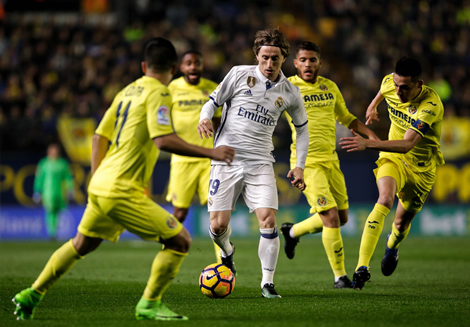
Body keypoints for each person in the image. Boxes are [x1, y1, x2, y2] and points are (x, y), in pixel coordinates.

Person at [12, 37, 234, 321]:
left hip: (101, 182)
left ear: (143, 66)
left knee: (82, 244)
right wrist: (211, 152)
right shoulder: (160, 93)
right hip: (120, 188)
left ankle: (32, 293)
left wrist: (96, 178)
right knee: (181, 241)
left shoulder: (126, 91)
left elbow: (97, 137)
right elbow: (163, 140)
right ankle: (149, 304)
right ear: (174, 68)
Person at [197, 28, 309, 298]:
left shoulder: (291, 92)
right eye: (265, 57)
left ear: (284, 59)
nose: (269, 64)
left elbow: (302, 129)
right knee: (217, 226)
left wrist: (299, 165)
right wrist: (203, 118)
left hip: (260, 163)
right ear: (256, 56)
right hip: (226, 160)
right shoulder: (238, 74)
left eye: (275, 59)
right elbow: (212, 103)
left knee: (268, 220)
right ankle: (227, 252)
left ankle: (267, 284)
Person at [279, 42, 380, 289]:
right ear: (295, 63)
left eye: (313, 60)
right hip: (306, 163)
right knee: (331, 217)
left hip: (331, 160)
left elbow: (346, 118)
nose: (308, 64)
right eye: (303, 59)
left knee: (341, 217)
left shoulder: (329, 87)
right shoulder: (287, 87)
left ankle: (291, 233)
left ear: (319, 63)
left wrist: (374, 139)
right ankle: (340, 277)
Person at [339, 56, 444, 290]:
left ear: (420, 84)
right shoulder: (390, 83)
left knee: (400, 224)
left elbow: (407, 145)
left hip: (421, 169)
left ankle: (392, 247)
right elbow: (384, 89)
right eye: (396, 85)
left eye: (404, 88)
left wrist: (368, 144)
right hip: (393, 158)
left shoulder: (430, 105)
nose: (398, 92)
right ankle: (361, 268)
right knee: (384, 198)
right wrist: (373, 104)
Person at [167, 50, 222, 262]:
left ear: (202, 65)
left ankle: (223, 261)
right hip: (181, 160)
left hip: (209, 160)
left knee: (216, 214)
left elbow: (217, 123)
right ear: (181, 68)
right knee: (179, 213)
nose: (193, 67)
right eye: (188, 63)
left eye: (196, 63)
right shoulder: (171, 89)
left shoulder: (211, 88)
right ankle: (169, 250)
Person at [33, 143, 74, 240]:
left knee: (57, 211)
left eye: (55, 150)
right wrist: (37, 191)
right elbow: (39, 178)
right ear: (48, 151)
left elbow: (68, 178)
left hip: (60, 192)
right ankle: (52, 233)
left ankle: (54, 230)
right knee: (50, 210)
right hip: (48, 192)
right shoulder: (43, 164)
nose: (54, 152)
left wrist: (70, 189)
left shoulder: (62, 164)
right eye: (52, 150)